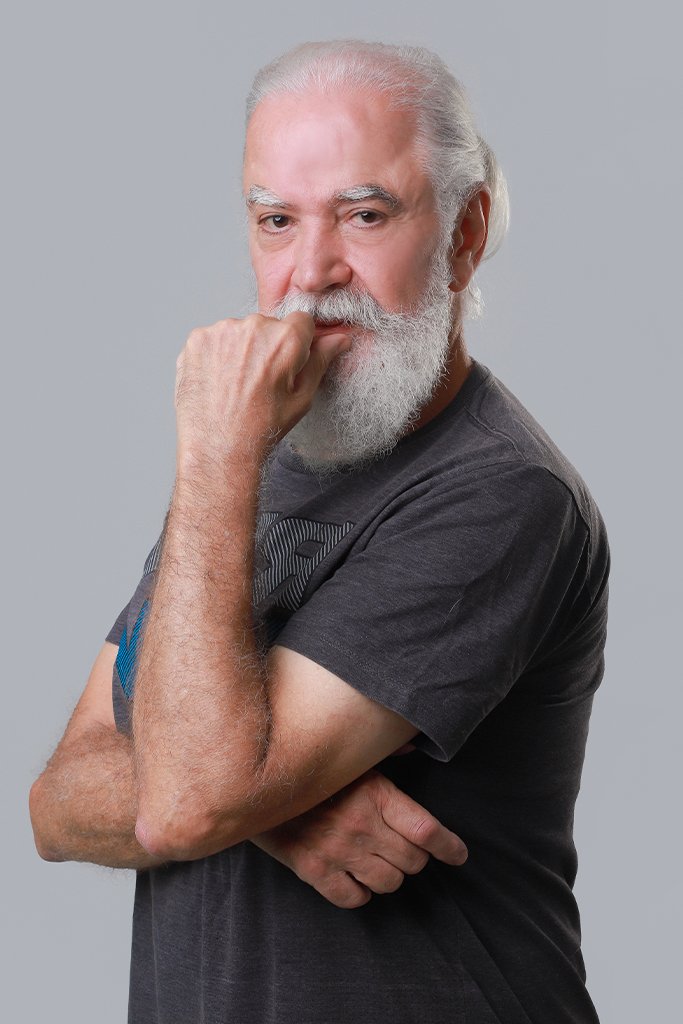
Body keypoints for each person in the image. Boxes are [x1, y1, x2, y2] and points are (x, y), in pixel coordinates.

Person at [29, 40, 609, 1024]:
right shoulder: (247, 462)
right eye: (276, 220)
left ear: (464, 232)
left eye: (364, 214)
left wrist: (230, 793)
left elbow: (185, 805)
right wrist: (274, 807)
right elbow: (58, 801)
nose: (309, 273)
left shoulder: (500, 492)